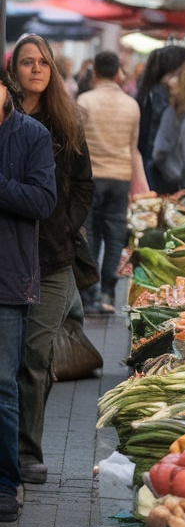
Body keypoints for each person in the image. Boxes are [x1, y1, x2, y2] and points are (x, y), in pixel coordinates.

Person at [9, 35, 94, 485]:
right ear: (14, 70)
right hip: (9, 255)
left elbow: (84, 184)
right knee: (9, 360)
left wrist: (67, 224)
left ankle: (28, 452)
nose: (36, 69)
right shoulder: (6, 118)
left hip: (54, 258)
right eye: (27, 62)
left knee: (35, 356)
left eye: (43, 62)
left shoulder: (67, 123)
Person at [0, 65, 57, 522]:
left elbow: (42, 201)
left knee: (3, 384)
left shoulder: (32, 135)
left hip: (7, 277)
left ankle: (5, 483)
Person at [77, 50, 141, 315]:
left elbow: (76, 145)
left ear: (95, 73)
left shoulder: (84, 101)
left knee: (89, 235)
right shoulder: (131, 105)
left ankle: (90, 295)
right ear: (117, 73)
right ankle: (108, 292)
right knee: (115, 237)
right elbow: (133, 147)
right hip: (119, 177)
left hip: (90, 178)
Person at [136, 44, 185, 189]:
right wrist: (175, 174)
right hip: (158, 178)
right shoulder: (163, 99)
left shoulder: (147, 93)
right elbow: (158, 150)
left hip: (146, 173)